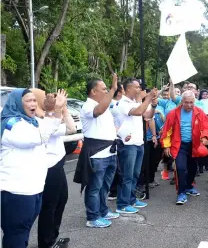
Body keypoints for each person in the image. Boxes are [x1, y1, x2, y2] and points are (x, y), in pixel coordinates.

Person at [1, 88, 66, 247]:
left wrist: (58, 110)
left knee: (23, 233)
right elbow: (38, 138)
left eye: (34, 100)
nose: (33, 104)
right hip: (16, 192)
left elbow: (53, 128)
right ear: (17, 103)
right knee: (16, 234)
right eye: (28, 101)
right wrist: (52, 111)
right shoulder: (11, 124)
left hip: (34, 189)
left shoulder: (31, 121)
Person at [75, 75, 121, 228]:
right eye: (104, 89)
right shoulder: (88, 106)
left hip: (110, 152)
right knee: (94, 187)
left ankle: (103, 210)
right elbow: (98, 111)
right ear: (94, 91)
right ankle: (93, 217)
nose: (107, 91)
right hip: (97, 154)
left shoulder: (105, 105)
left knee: (105, 186)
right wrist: (114, 89)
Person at [31, 89, 76, 248]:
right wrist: (55, 110)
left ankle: (52, 237)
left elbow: (72, 128)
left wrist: (63, 108)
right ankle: (46, 242)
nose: (49, 98)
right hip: (49, 166)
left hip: (58, 164)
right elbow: (66, 128)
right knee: (49, 205)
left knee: (61, 200)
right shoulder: (40, 120)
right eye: (45, 97)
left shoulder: (50, 117)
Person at [114, 78, 158, 214]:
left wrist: (153, 104)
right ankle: (122, 204)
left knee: (135, 174)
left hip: (139, 143)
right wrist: (148, 98)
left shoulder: (135, 102)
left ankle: (131, 199)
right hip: (128, 144)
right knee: (127, 175)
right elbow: (138, 112)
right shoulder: (123, 103)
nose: (140, 89)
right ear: (128, 89)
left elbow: (147, 115)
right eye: (137, 87)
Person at [161, 91, 208, 205]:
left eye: (191, 102)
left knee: (193, 168)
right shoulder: (173, 114)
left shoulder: (199, 112)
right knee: (180, 168)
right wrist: (166, 146)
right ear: (181, 102)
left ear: (194, 101)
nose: (189, 105)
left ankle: (189, 186)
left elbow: (207, 127)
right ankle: (181, 193)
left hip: (194, 145)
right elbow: (166, 132)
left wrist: (205, 137)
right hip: (179, 145)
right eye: (186, 102)